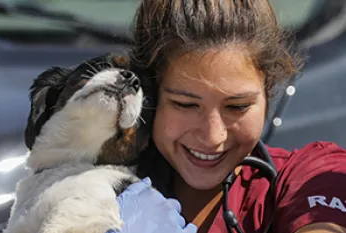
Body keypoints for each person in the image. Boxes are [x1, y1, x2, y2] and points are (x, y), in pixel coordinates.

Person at [109, 0, 346, 233]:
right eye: (185, 105)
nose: (213, 137)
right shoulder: (94, 180)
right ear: (149, 97)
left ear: (268, 92)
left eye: (237, 107)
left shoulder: (309, 172)